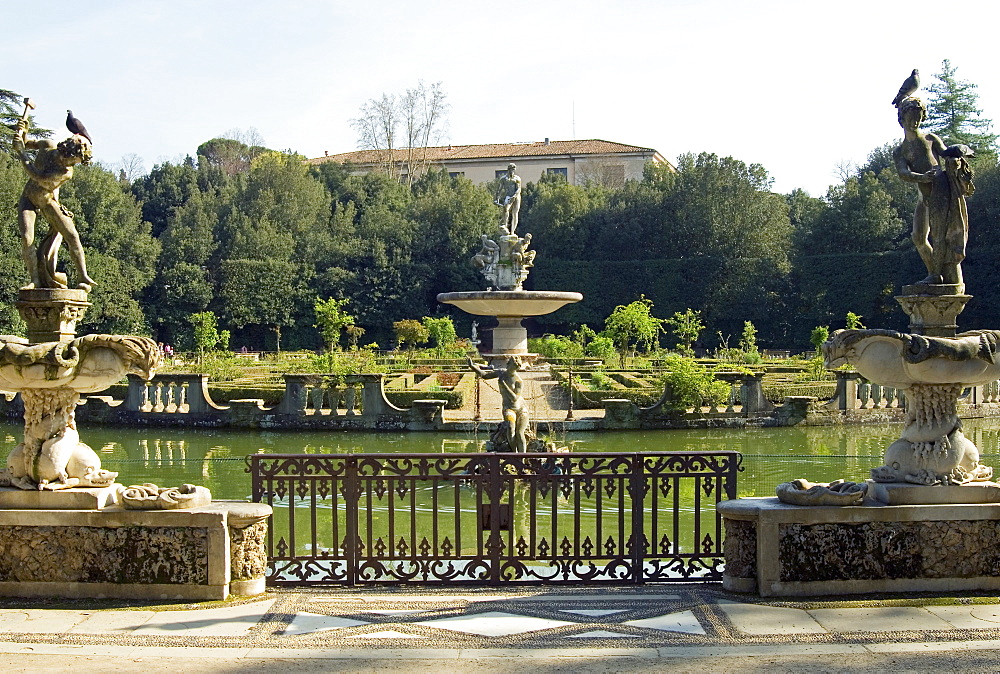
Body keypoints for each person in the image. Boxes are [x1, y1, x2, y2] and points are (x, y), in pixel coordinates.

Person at [893, 97, 974, 287]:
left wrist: (959, 156)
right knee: (918, 237)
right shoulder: (901, 151)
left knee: (938, 235)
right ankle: (934, 272)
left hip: (941, 191)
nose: (915, 122)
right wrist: (921, 177)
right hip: (924, 196)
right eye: (911, 117)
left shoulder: (930, 140)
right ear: (902, 119)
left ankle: (936, 275)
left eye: (919, 118)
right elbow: (903, 173)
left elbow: (946, 153)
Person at [13, 116, 97, 291]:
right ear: (66, 152)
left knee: (72, 235)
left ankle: (83, 277)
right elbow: (27, 142)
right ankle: (35, 280)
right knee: (27, 238)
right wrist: (23, 130)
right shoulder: (47, 146)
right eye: (74, 161)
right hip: (29, 199)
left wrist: (21, 153)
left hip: (48, 201)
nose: (73, 165)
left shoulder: (65, 172)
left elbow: (39, 178)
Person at [468, 356, 528, 452]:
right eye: (508, 362)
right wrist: (472, 366)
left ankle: (523, 459)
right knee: (510, 427)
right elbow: (484, 375)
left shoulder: (518, 381)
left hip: (522, 409)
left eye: (510, 363)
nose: (507, 364)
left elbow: (514, 398)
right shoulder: (501, 373)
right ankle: (515, 453)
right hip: (509, 408)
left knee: (520, 433)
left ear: (515, 366)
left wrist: (504, 385)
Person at [494, 163, 522, 235]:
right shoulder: (503, 179)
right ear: (508, 169)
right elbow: (499, 189)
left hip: (516, 196)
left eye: (513, 169)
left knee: (515, 213)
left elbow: (519, 189)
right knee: (505, 209)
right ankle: (505, 226)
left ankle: (512, 231)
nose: (512, 171)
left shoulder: (517, 178)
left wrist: (514, 196)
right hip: (508, 196)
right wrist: (497, 198)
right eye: (511, 169)